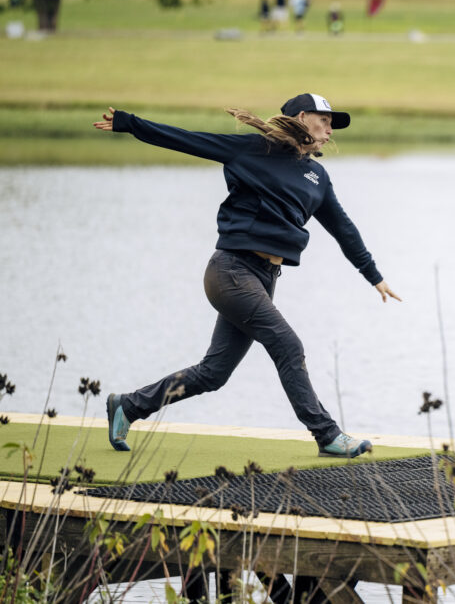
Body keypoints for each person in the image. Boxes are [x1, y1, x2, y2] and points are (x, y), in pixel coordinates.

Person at [92, 93, 401, 459]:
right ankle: (327, 435)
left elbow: (343, 229)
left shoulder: (316, 176)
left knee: (213, 373)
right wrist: (130, 123)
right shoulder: (253, 150)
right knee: (288, 346)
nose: (330, 129)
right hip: (232, 271)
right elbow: (186, 139)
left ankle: (128, 406)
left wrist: (373, 275)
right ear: (302, 117)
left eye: (333, 124)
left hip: (264, 278)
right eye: (325, 120)